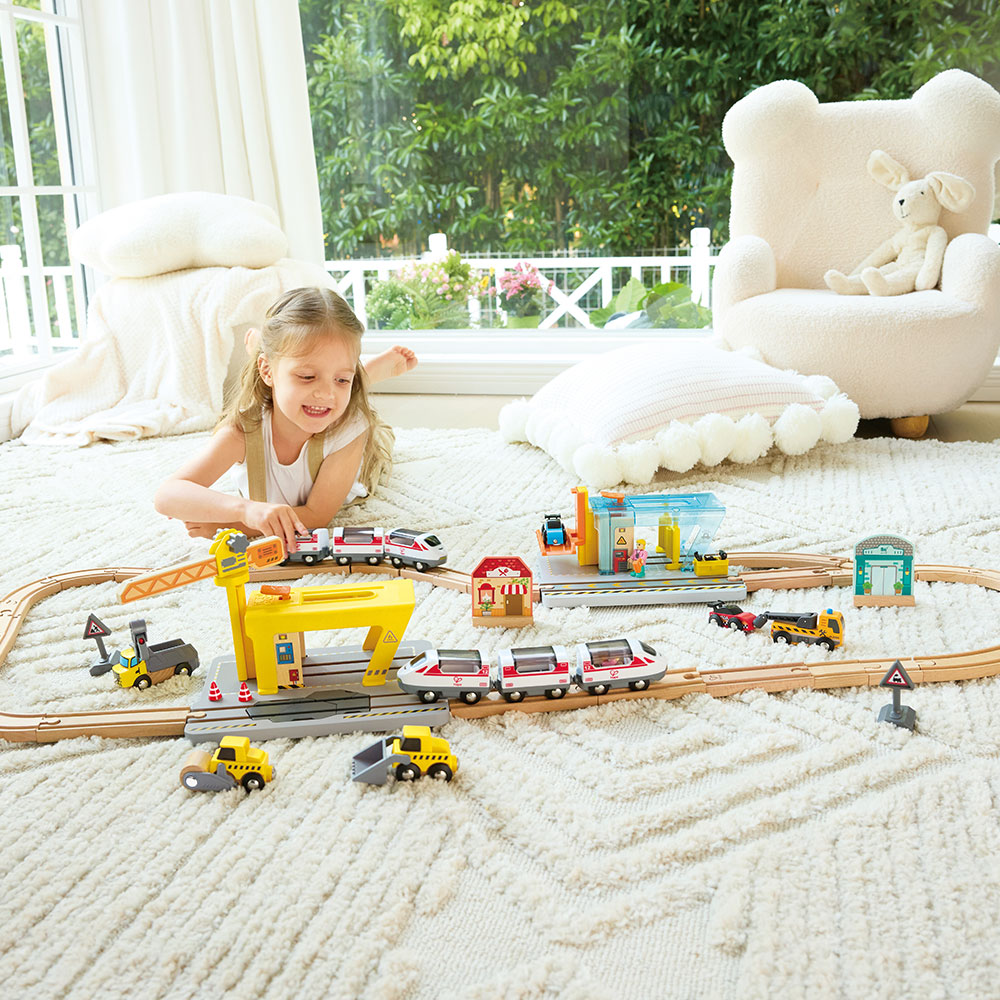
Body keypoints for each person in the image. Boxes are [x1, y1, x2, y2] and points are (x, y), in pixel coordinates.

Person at [154, 286, 415, 555]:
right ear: (266, 371)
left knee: (376, 431)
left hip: (354, 442)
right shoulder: (245, 429)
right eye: (307, 377)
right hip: (276, 385)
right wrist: (245, 509)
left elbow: (317, 515)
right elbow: (167, 495)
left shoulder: (350, 427)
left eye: (342, 379)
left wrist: (228, 525)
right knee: (328, 394)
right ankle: (285, 360)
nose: (326, 393)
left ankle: (363, 377)